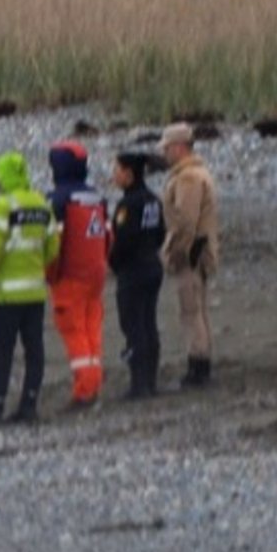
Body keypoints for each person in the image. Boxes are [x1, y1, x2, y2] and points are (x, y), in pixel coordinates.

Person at [0, 150, 60, 425]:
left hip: (6, 293)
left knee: (3, 351)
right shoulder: (42, 205)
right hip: (35, 291)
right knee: (34, 349)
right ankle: (29, 403)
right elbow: (53, 248)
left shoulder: (3, 206)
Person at [47, 141, 111, 408]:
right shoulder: (98, 198)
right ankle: (92, 384)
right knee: (91, 327)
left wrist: (50, 273)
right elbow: (108, 236)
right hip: (95, 272)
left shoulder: (57, 200)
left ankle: (85, 389)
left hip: (70, 276)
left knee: (74, 331)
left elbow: (53, 243)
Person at [159, 123, 220, 388]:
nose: (165, 153)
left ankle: (198, 368)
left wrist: (175, 253)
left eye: (167, 148)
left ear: (179, 147)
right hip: (200, 251)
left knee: (191, 310)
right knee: (197, 309)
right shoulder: (197, 173)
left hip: (192, 253)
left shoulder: (188, 178)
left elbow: (186, 222)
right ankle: (201, 364)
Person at [109, 151, 166, 399]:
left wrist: (113, 263)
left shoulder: (127, 205)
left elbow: (122, 241)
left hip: (133, 270)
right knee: (148, 323)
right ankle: (150, 381)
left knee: (133, 326)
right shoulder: (153, 200)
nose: (114, 175)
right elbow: (161, 233)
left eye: (117, 170)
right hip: (152, 265)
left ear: (129, 174)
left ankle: (139, 383)